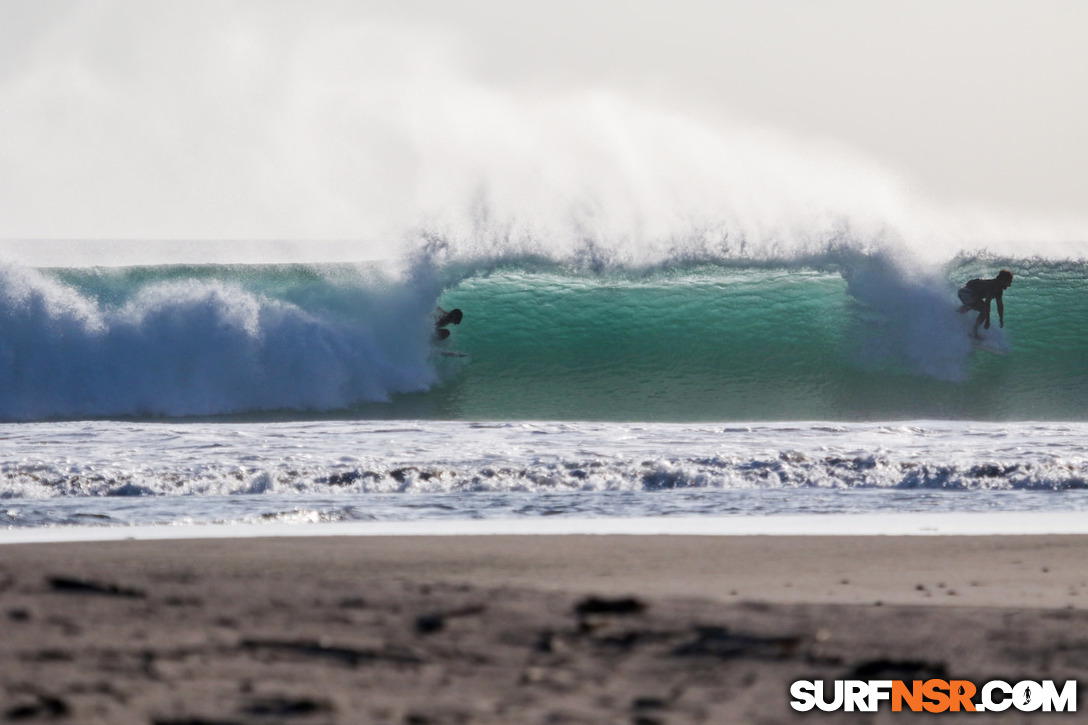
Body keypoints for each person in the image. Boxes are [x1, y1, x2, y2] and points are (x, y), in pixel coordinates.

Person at [957, 270, 1013, 338]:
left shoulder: (999, 290)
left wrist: (1001, 318)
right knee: (982, 309)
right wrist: (987, 320)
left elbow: (1000, 305)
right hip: (966, 293)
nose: (1009, 285)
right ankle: (974, 332)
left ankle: (954, 314)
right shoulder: (993, 286)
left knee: (973, 305)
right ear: (1003, 280)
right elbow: (987, 303)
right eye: (1009, 282)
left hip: (965, 293)